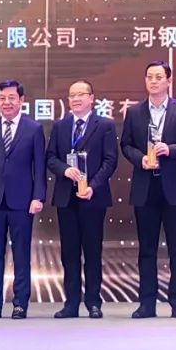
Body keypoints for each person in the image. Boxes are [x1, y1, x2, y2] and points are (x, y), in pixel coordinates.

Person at [120, 61, 176, 319]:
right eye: (149, 77)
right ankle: (147, 303)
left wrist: (171, 150)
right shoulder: (134, 112)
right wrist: (141, 158)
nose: (153, 81)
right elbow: (126, 145)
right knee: (147, 248)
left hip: (174, 187)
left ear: (168, 81)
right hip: (145, 186)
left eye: (158, 77)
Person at [0, 80, 47, 320]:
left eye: (12, 98)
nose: (7, 102)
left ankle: (20, 303)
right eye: (2, 98)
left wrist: (38, 196)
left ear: (21, 100)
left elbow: (40, 167)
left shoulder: (33, 129)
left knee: (21, 254)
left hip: (22, 201)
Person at [46, 80, 118, 319]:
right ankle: (71, 303)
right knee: (69, 253)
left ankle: (94, 302)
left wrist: (93, 186)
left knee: (93, 251)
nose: (75, 99)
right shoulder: (60, 126)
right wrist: (65, 170)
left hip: (93, 197)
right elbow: (51, 158)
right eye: (72, 95)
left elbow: (110, 160)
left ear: (91, 98)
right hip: (66, 197)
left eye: (80, 94)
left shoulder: (105, 125)